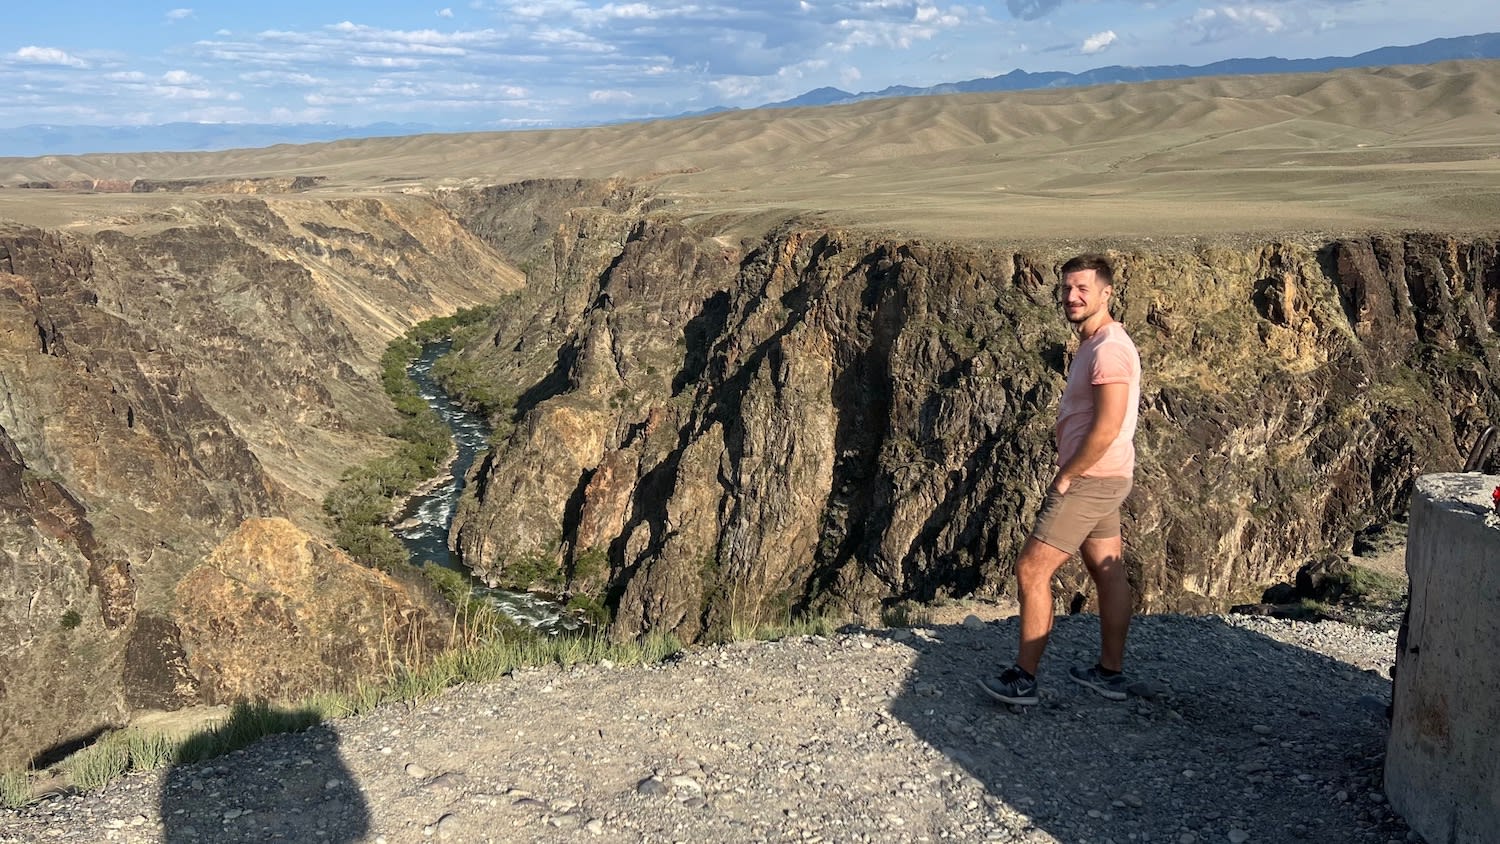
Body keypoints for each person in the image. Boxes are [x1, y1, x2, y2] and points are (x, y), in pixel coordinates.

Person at [979, 253, 1142, 706]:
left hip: (1091, 479)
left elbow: (1106, 427)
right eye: (1067, 288)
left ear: (1106, 293)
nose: (1071, 296)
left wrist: (1067, 475)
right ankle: (1109, 674)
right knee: (1106, 572)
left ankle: (1023, 679)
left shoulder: (1108, 348)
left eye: (1083, 289)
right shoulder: (1098, 342)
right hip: (1109, 477)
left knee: (1031, 568)